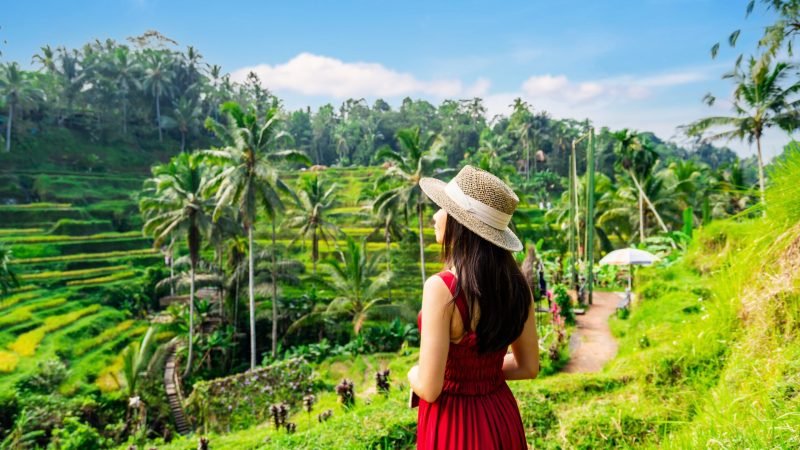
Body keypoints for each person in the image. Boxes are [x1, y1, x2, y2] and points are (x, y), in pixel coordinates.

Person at [407, 165, 539, 450]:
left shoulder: (442, 288)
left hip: (454, 424)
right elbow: (529, 367)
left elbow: (429, 389)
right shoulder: (518, 286)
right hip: (500, 417)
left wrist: (413, 372)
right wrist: (481, 374)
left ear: (459, 222)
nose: (435, 215)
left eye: (443, 207)